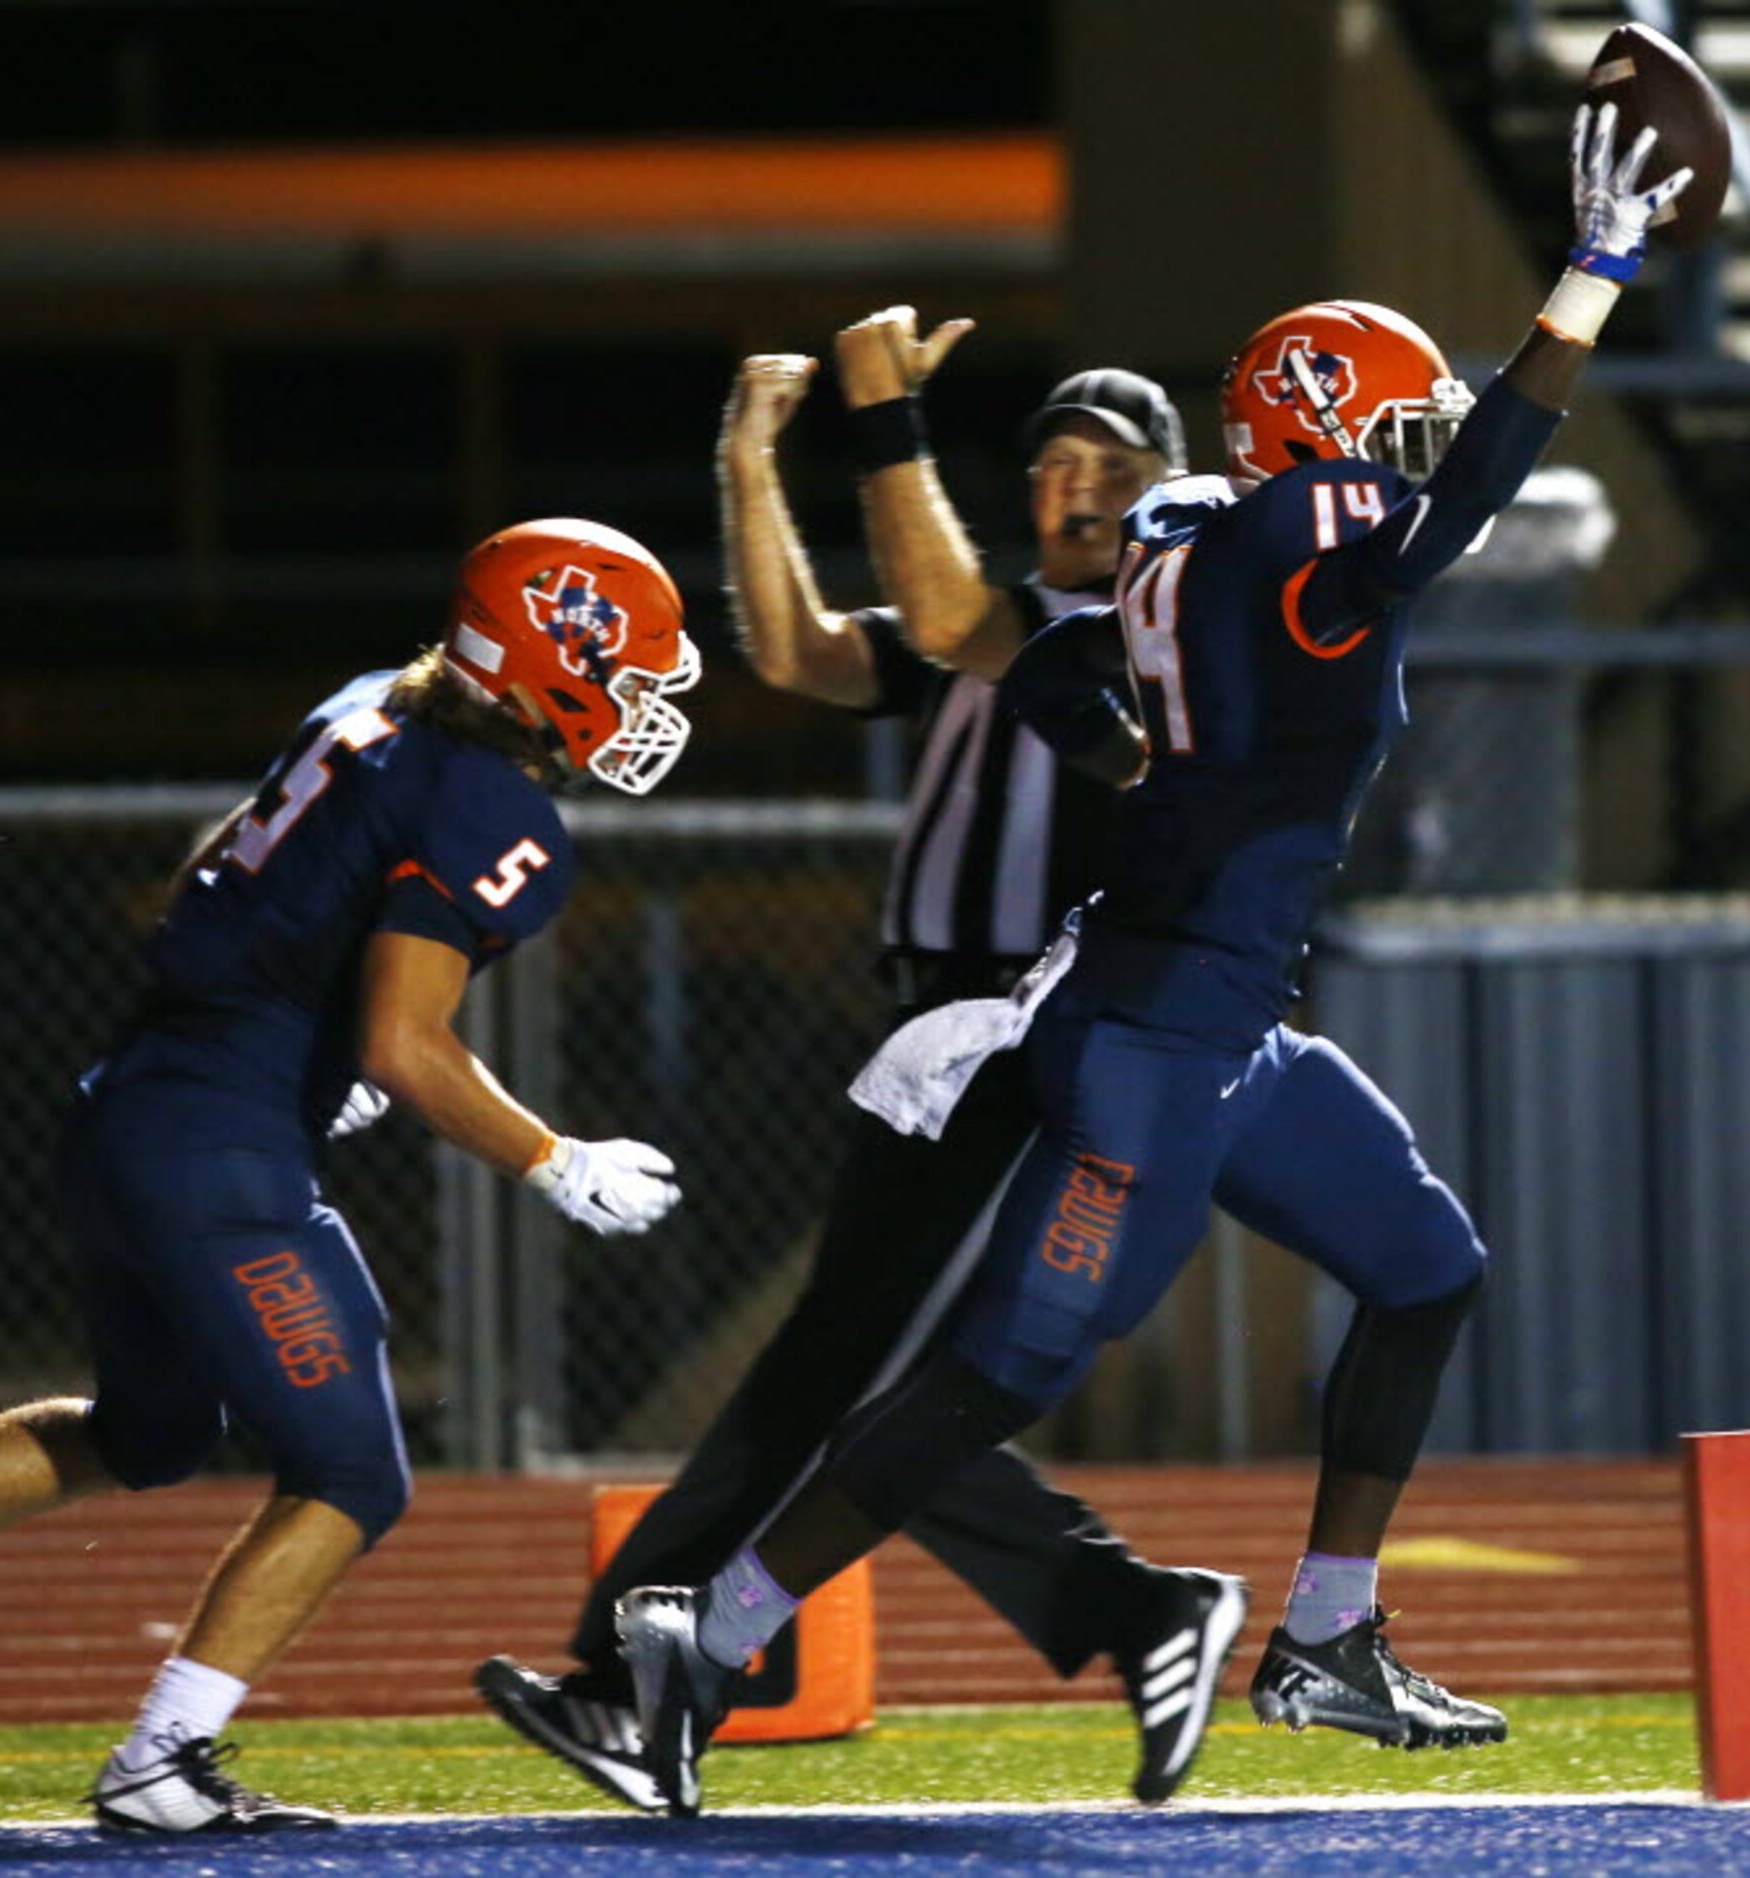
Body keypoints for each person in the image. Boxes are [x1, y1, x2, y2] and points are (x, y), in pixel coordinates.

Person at [608, 102, 1693, 1819]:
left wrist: (1139, 766)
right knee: (996, 1374)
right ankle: (713, 1626)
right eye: (1387, 427)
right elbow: (1473, 488)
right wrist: (1594, 275)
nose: (1411, 453)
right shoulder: (1293, 534)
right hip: (1155, 1036)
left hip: (1221, 1015)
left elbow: (1042, 675)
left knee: (1424, 1265)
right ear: (1327, 429)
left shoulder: (1189, 527)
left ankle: (1329, 1634)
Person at [0, 518, 701, 1831]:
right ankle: (158, 1760)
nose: (642, 704)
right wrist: (553, 1158)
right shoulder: (492, 801)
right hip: (220, 1146)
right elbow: (404, 1039)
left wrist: (285, 1023)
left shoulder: (363, 707)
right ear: (551, 659)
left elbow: (211, 873)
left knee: (155, 1431)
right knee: (354, 1473)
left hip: (130, 1106)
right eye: (633, 672)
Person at [472, 319, 1247, 1811]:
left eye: (1110, 468)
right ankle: (1122, 1609)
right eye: (1053, 465)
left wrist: (883, 416)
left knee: (837, 1374)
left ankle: (636, 1684)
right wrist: (750, 460)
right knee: (859, 1383)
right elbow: (797, 650)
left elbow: (955, 621)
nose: (1073, 492)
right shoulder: (1005, 615)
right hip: (951, 1037)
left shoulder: (1153, 629)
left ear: (1165, 490)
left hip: (1038, 1032)